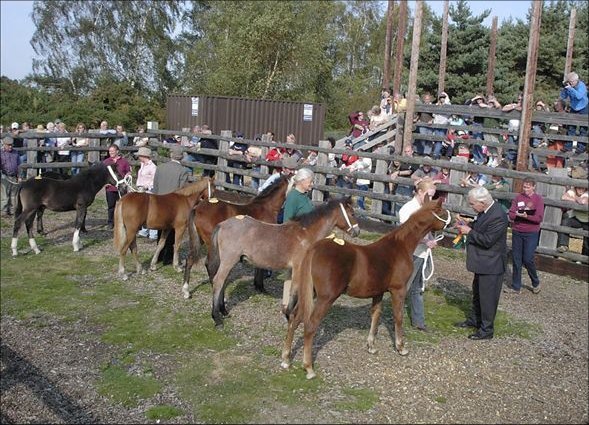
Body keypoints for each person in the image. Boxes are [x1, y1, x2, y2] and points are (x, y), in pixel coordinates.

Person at [454, 186, 509, 340]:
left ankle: (486, 330)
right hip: (483, 262)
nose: (471, 207)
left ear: (482, 202)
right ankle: (475, 320)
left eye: (472, 204)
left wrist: (469, 232)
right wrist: (468, 225)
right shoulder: (486, 211)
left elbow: (488, 240)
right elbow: (481, 227)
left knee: (488, 298)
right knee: (478, 294)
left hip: (492, 264)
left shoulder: (498, 215)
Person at [398, 178, 439, 332]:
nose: (431, 199)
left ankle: (418, 321)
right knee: (404, 287)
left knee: (418, 287)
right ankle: (398, 320)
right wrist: (425, 241)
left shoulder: (425, 208)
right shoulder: (408, 209)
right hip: (411, 253)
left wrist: (430, 239)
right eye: (428, 195)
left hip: (422, 253)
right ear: (420, 192)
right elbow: (406, 233)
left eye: (433, 196)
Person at [504, 178, 544, 294]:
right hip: (517, 231)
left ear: (533, 187)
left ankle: (535, 281)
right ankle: (516, 286)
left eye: (528, 187)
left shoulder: (538, 199)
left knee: (527, 258)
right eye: (524, 187)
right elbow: (511, 214)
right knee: (516, 259)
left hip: (531, 233)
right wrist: (517, 215)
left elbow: (538, 218)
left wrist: (527, 217)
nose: (525, 189)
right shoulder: (518, 198)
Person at [153, 145, 190, 264]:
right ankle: (168, 257)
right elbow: (182, 191)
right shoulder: (183, 171)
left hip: (159, 201)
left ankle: (159, 255)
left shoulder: (160, 168)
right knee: (173, 231)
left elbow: (155, 187)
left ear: (170, 155)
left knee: (160, 229)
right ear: (181, 157)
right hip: (174, 205)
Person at [557, 166, 589, 256]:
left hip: (587, 220)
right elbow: (564, 197)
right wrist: (576, 198)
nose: (580, 189)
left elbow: (583, 201)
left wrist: (574, 198)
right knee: (565, 222)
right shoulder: (573, 190)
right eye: (578, 187)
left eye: (582, 188)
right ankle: (563, 245)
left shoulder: (587, 192)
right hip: (578, 218)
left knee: (586, 241)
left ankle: (584, 258)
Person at [102, 143, 131, 229]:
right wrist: (104, 183)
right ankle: (110, 222)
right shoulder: (106, 162)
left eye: (112, 151)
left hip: (122, 187)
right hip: (110, 188)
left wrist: (127, 177)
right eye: (110, 151)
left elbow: (128, 171)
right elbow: (102, 175)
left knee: (123, 205)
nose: (111, 153)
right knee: (111, 206)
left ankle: (123, 222)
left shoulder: (124, 161)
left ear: (117, 151)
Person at [560, 71, 588, 154]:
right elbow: (563, 97)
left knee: (583, 129)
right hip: (574, 107)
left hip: (584, 107)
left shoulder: (581, 85)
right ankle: (568, 146)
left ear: (576, 80)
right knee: (571, 127)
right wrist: (564, 89)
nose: (570, 83)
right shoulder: (569, 86)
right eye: (568, 81)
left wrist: (571, 89)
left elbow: (579, 96)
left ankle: (581, 148)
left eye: (571, 82)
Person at [135, 147, 158, 240]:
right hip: (141, 191)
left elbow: (155, 181)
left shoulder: (153, 167)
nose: (138, 157)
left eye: (139, 155)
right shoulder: (142, 165)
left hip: (149, 192)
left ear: (143, 156)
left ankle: (153, 233)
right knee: (143, 211)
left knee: (151, 212)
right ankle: (144, 231)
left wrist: (146, 187)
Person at [1, 136, 20, 216]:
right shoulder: (1, 153)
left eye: (11, 145)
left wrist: (19, 176)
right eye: (8, 145)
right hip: (4, 176)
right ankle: (4, 211)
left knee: (14, 195)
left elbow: (19, 165)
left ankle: (13, 211)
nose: (10, 146)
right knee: (5, 195)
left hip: (14, 176)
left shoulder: (15, 153)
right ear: (4, 144)